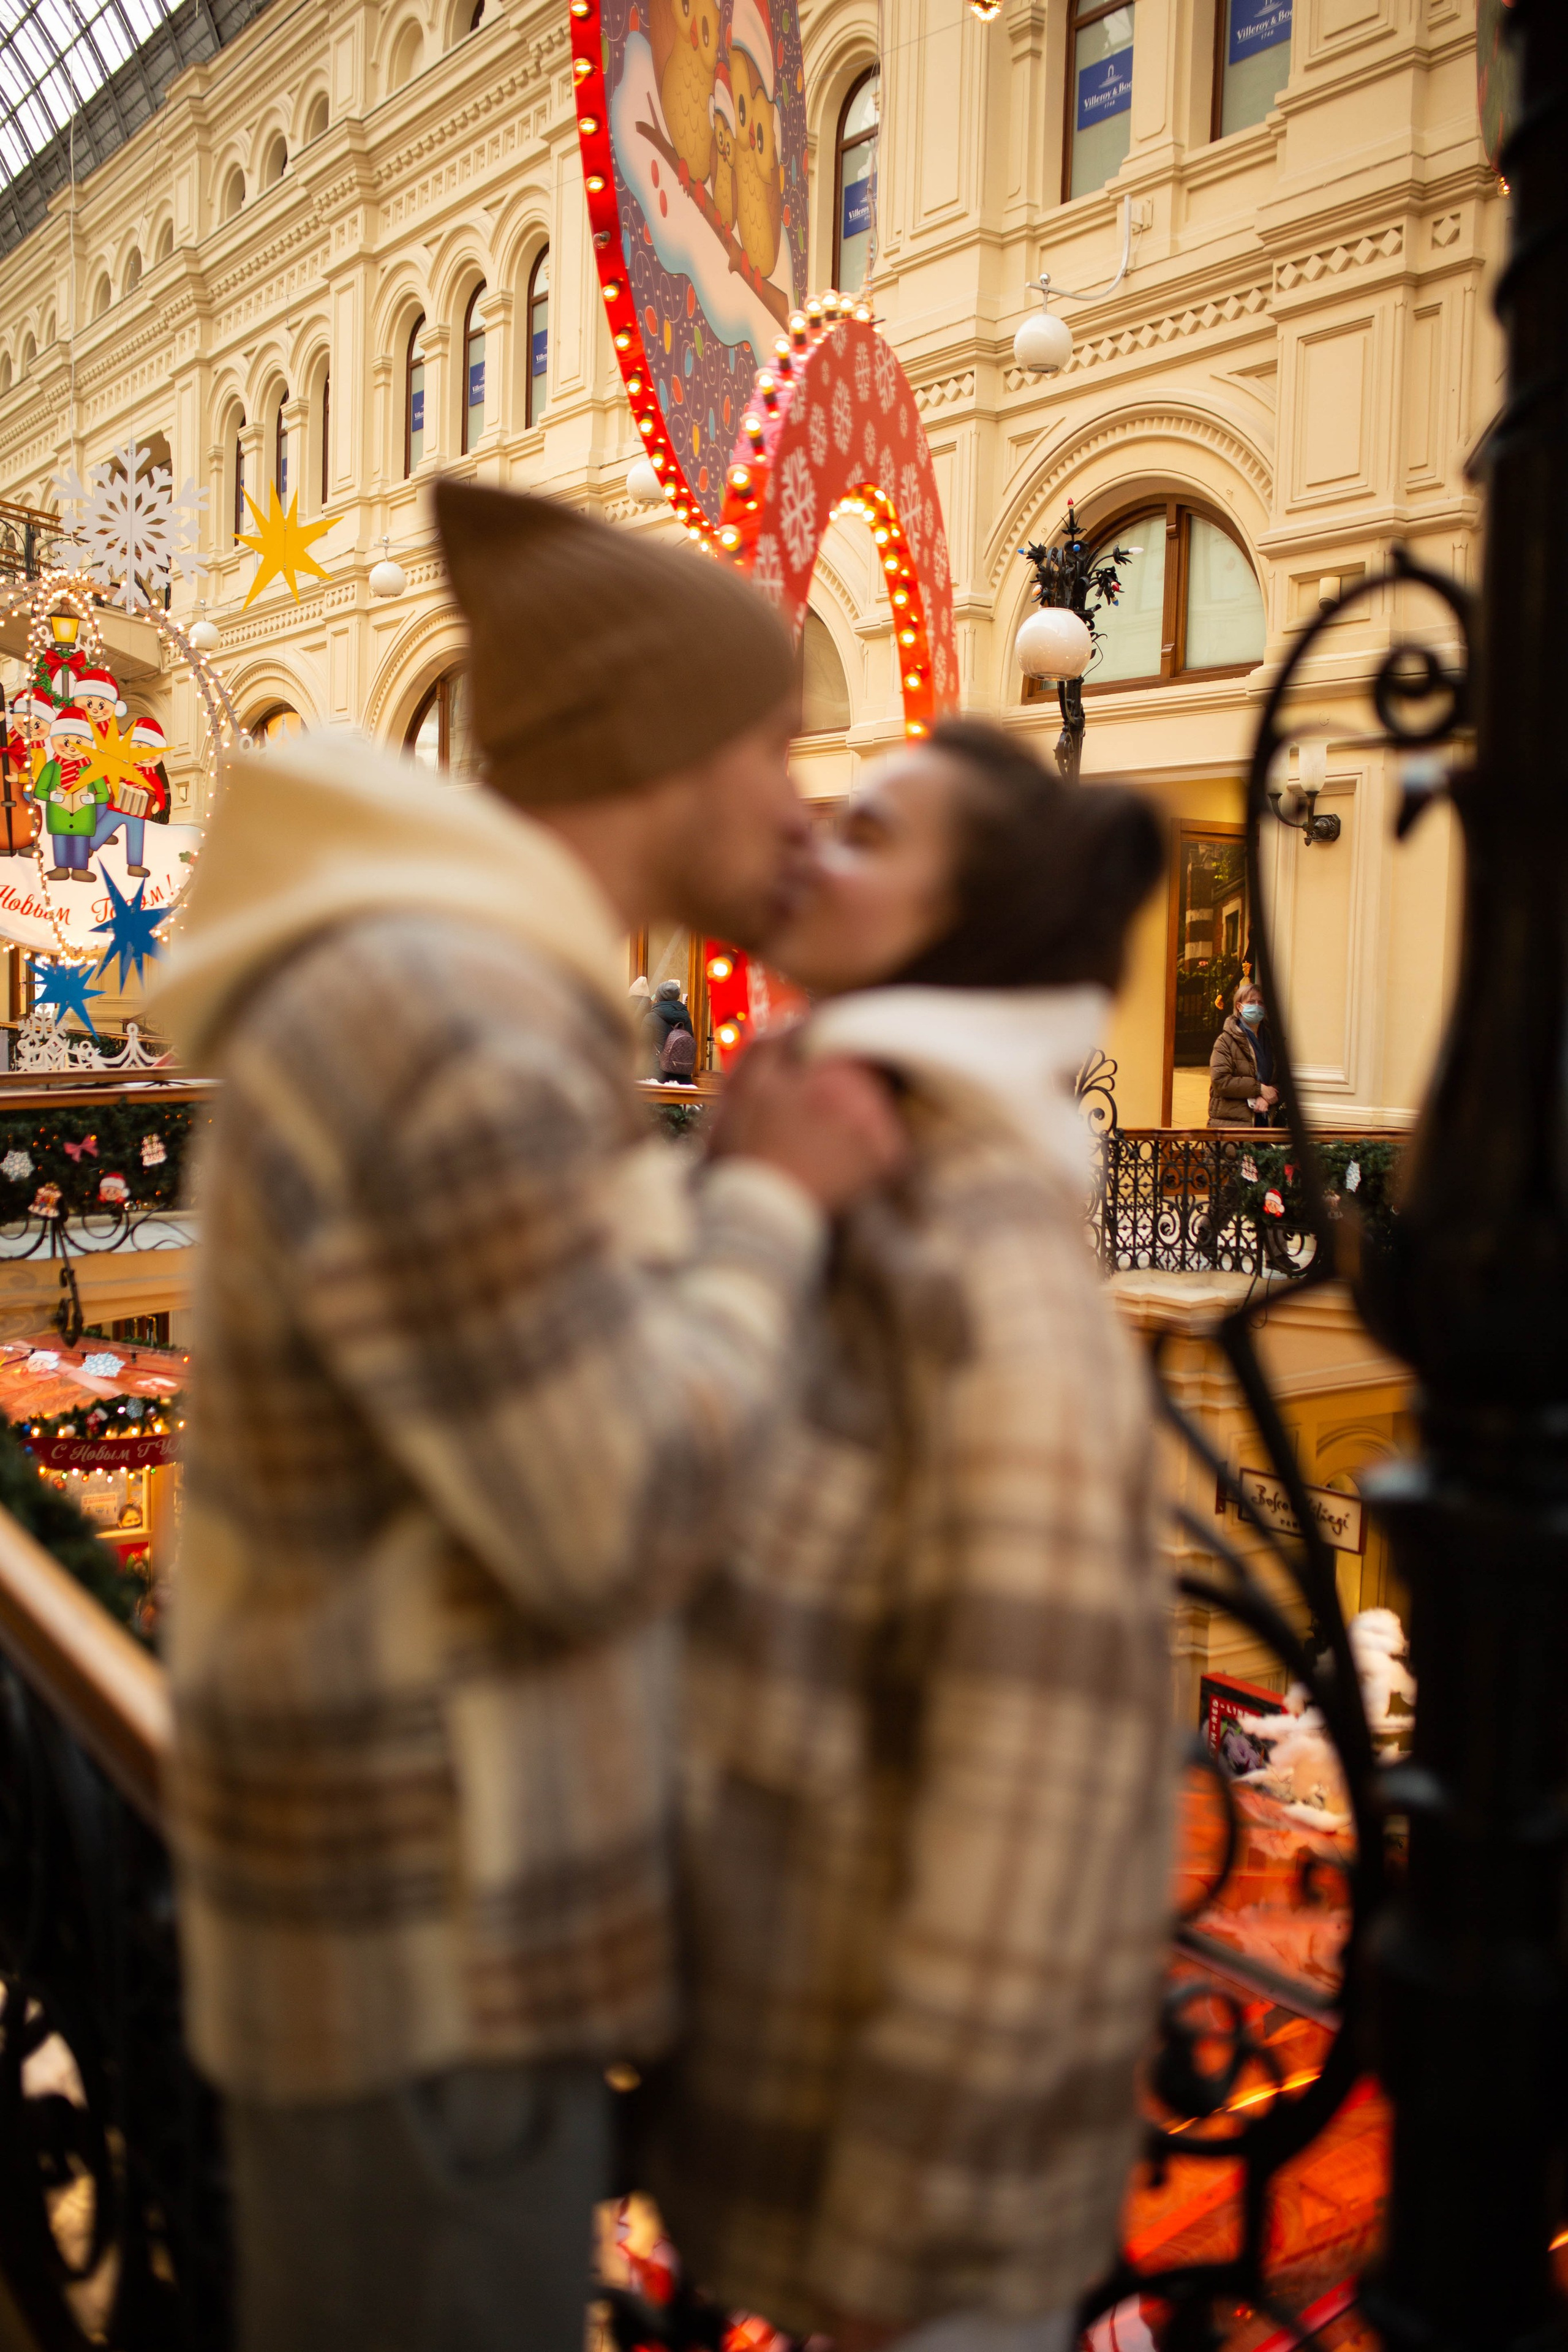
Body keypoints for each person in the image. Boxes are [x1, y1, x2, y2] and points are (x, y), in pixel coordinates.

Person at [153, 483, 905, 2352]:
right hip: (432, 1963)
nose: (803, 800)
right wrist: (773, 1205)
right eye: (777, 739)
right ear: (661, 745)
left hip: (400, 1923)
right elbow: (611, 1504)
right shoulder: (458, 1022)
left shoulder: (453, 991)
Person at [653, 720, 1174, 2351]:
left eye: (872, 833)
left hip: (910, 2239)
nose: (816, 837)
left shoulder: (980, 1248)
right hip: (785, 2139)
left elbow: (1041, 1763)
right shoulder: (842, 1173)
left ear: (966, 937)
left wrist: (905, 2235)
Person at [1208, 979, 1280, 1128]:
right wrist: (1259, 1089)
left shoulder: (1273, 1041)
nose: (1257, 1007)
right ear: (1239, 1007)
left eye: (1261, 1003)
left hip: (1267, 1119)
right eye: (1251, 1002)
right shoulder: (1225, 1041)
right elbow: (1220, 1081)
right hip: (1233, 1123)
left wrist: (1268, 1098)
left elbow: (1284, 1079)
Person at [647, 977, 698, 1080]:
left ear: (658, 997)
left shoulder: (651, 1018)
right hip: (683, 1075)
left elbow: (643, 1046)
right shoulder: (686, 1018)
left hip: (658, 1075)